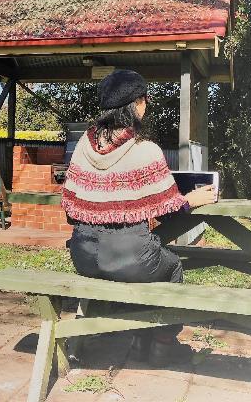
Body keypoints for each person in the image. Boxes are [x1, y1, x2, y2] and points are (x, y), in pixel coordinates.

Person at [61, 69, 217, 366]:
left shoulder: (82, 146)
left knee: (132, 268)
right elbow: (168, 208)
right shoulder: (146, 151)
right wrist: (190, 200)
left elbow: (70, 205)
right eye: (145, 99)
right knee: (171, 268)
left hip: (83, 255)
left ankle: (135, 337)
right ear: (138, 105)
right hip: (129, 257)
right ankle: (161, 346)